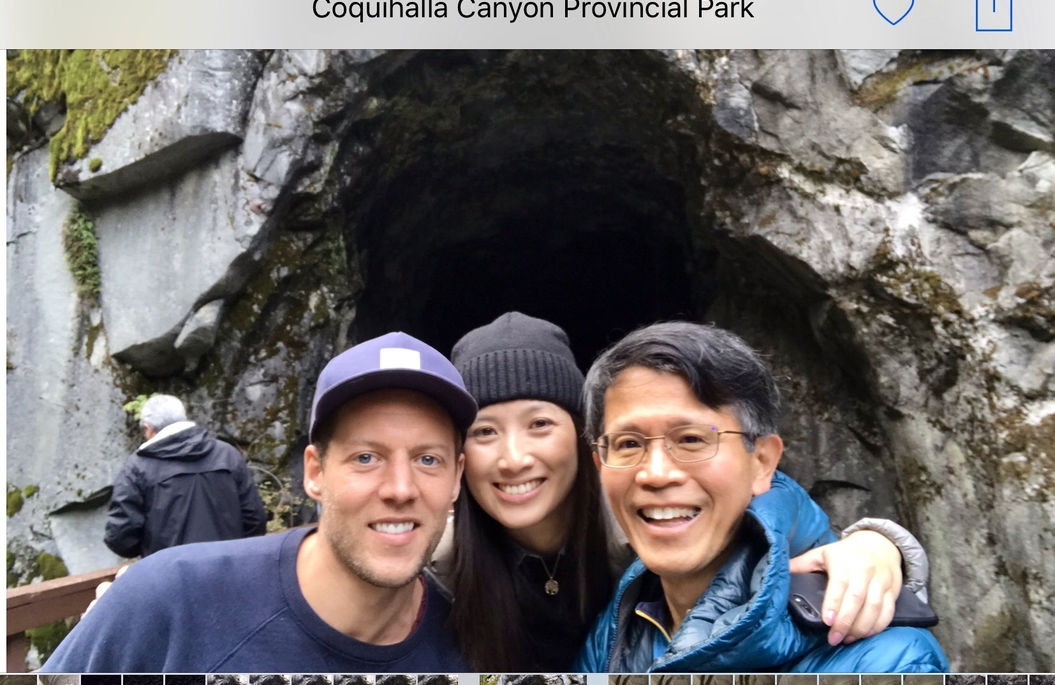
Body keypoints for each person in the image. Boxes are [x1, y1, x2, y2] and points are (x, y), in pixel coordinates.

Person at [443, 312, 936, 672]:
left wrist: (877, 543)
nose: (514, 457)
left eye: (692, 440)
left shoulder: (628, 540)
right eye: (484, 431)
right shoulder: (619, 629)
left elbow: (782, 519)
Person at [43, 332, 475, 672]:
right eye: (366, 457)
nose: (400, 488)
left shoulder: (475, 651)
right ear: (314, 472)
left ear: (457, 478)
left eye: (428, 459)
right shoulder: (168, 604)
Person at [573, 322, 949, 672]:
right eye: (628, 443)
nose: (655, 474)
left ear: (762, 462)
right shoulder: (618, 631)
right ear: (600, 465)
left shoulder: (887, 660)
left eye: (690, 439)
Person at [104, 394, 268, 558]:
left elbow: (120, 538)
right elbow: (255, 520)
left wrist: (151, 552)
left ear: (148, 427)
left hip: (170, 570)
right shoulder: (228, 455)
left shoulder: (138, 467)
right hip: (227, 566)